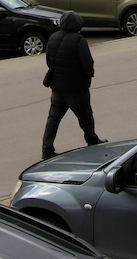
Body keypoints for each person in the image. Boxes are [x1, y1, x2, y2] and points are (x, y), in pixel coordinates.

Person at [41, 11, 105, 159]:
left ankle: (47, 149)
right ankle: (92, 140)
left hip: (57, 88)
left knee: (53, 119)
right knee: (85, 117)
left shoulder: (53, 37)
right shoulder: (79, 40)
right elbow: (87, 64)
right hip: (76, 89)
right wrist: (87, 78)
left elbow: (49, 61)